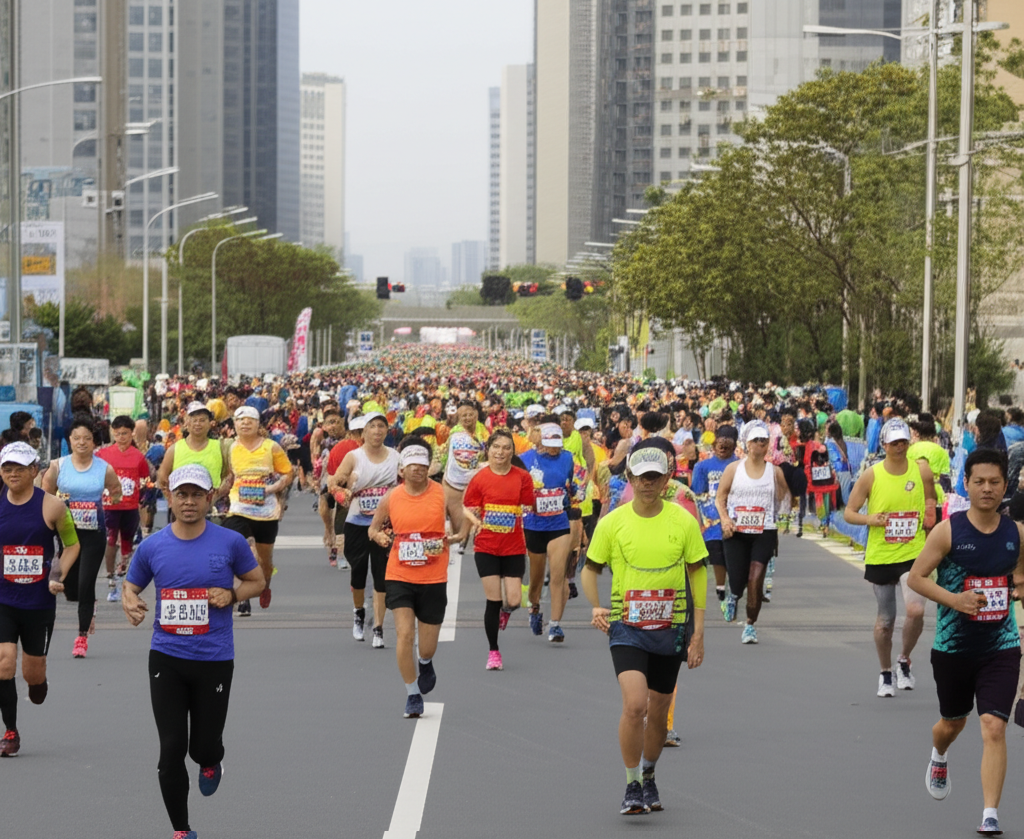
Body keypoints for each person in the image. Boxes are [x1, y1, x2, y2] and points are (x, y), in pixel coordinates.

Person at [122, 464, 266, 839]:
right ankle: (182, 830)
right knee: (171, 749)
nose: (188, 502)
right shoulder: (153, 545)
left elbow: (258, 581)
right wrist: (130, 602)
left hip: (214, 659)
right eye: (181, 494)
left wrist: (232, 594)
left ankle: (211, 760)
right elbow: (131, 586)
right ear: (169, 497)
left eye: (196, 495)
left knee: (202, 748)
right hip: (166, 657)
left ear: (210, 498)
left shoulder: (229, 542)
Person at [581, 444, 707, 816]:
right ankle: (632, 783)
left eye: (655, 477)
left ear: (667, 480)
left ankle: (649, 773)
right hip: (627, 626)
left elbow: (698, 574)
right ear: (631, 479)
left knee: (659, 708)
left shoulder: (682, 521)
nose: (648, 484)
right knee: (635, 705)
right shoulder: (613, 522)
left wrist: (698, 633)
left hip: (671, 629)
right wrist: (596, 605)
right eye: (641, 477)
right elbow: (591, 569)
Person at [907, 449, 1024, 837]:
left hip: (1001, 644)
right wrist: (956, 600)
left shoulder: (1017, 534)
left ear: (1005, 486)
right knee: (951, 724)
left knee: (993, 725)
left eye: (994, 482)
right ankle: (939, 754)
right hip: (954, 646)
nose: (987, 489)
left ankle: (990, 813)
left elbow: (1020, 578)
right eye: (979, 482)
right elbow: (917, 578)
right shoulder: (949, 530)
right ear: (967, 485)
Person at [844, 418, 936, 697]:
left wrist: (929, 517)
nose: (899, 446)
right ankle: (885, 673)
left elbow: (931, 500)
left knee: (916, 610)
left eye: (904, 441)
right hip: (882, 555)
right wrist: (870, 518)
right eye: (894, 442)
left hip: (913, 553)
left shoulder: (921, 470)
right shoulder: (872, 474)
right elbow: (849, 512)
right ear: (883, 445)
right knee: (886, 620)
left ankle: (903, 661)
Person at [0, 442, 81, 757]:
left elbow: (72, 545)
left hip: (38, 603)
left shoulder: (53, 506)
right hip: (4, 599)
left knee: (32, 677)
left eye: (19, 468)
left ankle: (38, 681)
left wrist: (58, 574)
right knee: (4, 661)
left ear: (34, 470)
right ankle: (10, 731)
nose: (13, 474)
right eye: (7, 468)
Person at [368, 438, 449, 717]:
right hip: (399, 573)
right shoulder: (392, 497)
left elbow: (460, 526)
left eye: (423, 465)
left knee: (426, 644)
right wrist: (380, 536)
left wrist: (456, 535)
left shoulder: (442, 494)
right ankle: (412, 693)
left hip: (433, 575)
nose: (418, 469)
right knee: (404, 633)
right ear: (401, 470)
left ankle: (425, 661)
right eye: (412, 465)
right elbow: (373, 528)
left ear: (429, 468)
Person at [41, 414, 122, 658]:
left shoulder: (103, 468)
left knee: (87, 584)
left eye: (87, 438)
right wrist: (58, 508)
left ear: (94, 442)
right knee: (71, 588)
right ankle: (87, 605)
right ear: (70, 440)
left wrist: (108, 502)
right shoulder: (58, 466)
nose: (82, 442)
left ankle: (82, 637)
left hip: (93, 534)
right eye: (77, 438)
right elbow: (46, 495)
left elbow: (116, 490)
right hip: (66, 536)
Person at [462, 429, 536, 670]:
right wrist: (476, 521)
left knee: (514, 599)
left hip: (514, 546)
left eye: (506, 448)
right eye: (496, 447)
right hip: (486, 546)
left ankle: (506, 611)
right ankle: (494, 651)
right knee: (492, 600)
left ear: (512, 451)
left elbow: (528, 507)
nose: (501, 452)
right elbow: (467, 507)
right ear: (489, 450)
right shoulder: (480, 478)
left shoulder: (523, 478)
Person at [715, 421, 789, 644]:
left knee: (755, 579)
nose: (760, 444)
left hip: (764, 530)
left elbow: (785, 498)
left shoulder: (775, 472)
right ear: (746, 444)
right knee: (738, 580)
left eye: (764, 440)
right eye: (756, 440)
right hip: (736, 531)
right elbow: (720, 498)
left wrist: (780, 519)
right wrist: (725, 519)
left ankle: (749, 625)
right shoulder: (733, 469)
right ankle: (733, 595)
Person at [334, 412, 400, 646]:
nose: (377, 431)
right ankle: (358, 613)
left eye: (382, 426)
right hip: (357, 522)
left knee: (382, 576)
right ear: (363, 433)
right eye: (372, 426)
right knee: (358, 571)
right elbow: (335, 481)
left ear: (387, 431)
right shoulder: (354, 457)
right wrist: (344, 486)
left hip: (385, 525)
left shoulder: (395, 457)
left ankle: (379, 628)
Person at [221, 405, 292, 615]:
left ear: (258, 424)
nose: (245, 423)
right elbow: (226, 476)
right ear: (234, 424)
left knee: (265, 560)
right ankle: (244, 599)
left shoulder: (271, 447)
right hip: (238, 508)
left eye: (250, 419)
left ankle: (264, 585)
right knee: (246, 550)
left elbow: (288, 473)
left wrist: (275, 487)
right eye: (240, 420)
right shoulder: (229, 448)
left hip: (266, 510)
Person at [521, 421, 580, 643]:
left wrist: (572, 490)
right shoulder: (526, 459)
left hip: (558, 521)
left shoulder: (567, 458)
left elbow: (570, 482)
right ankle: (534, 608)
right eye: (550, 444)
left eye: (557, 443)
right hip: (534, 523)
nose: (554, 448)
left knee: (558, 575)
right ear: (542, 442)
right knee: (536, 578)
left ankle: (555, 625)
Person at [96, 415, 153, 602]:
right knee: (110, 540)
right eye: (118, 433)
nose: (121, 437)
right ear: (113, 432)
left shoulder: (138, 457)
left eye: (125, 434)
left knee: (127, 542)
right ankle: (111, 578)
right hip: (109, 505)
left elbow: (145, 479)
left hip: (129, 507)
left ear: (131, 434)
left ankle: (123, 574)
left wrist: (143, 497)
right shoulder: (103, 455)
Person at [690, 425, 739, 608]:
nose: (723, 445)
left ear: (734, 445)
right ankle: (720, 587)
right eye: (720, 441)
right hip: (711, 519)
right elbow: (698, 491)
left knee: (732, 555)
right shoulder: (703, 466)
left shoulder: (741, 465)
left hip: (734, 516)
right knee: (716, 554)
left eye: (727, 442)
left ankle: (734, 585)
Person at [441, 399, 487, 541]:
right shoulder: (454, 433)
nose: (467, 418)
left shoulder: (483, 432)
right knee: (458, 527)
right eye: (463, 415)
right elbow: (444, 455)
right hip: (454, 483)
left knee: (475, 527)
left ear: (476, 415)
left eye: (470, 414)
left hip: (476, 482)